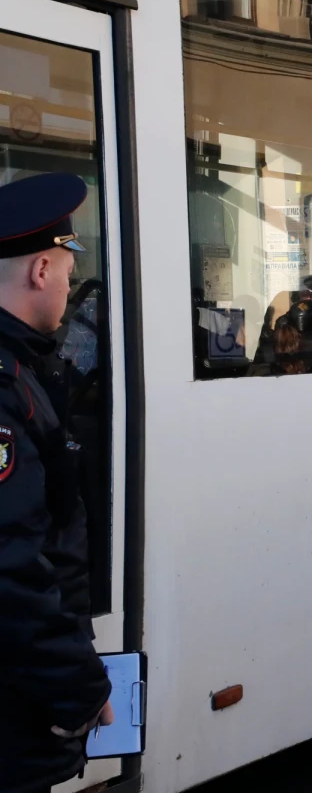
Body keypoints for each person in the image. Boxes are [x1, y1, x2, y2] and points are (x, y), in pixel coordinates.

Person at [0, 174, 113, 793]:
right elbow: (11, 569)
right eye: (68, 270)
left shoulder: (24, 369)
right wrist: (77, 689)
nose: (72, 286)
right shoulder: (6, 388)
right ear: (41, 270)